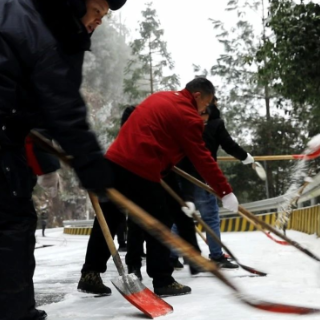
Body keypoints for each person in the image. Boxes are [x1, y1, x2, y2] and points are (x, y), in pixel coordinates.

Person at [0, 0, 126, 319]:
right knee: (11, 224)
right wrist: (94, 168)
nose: (99, 20)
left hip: (9, 131)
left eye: (104, 15)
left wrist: (46, 163)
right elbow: (64, 109)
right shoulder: (47, 34)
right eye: (97, 10)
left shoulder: (26, 13)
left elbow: (34, 104)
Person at [77, 78, 239, 297]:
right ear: (198, 96)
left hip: (114, 162)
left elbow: (151, 131)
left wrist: (165, 165)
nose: (204, 110)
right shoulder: (189, 116)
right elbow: (202, 157)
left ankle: (90, 274)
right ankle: (163, 280)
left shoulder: (160, 97)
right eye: (206, 104)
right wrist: (225, 190)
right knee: (160, 222)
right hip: (140, 168)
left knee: (109, 220)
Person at [176, 96, 254, 269]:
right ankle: (217, 256)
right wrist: (246, 157)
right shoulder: (215, 124)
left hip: (181, 175)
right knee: (210, 217)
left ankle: (171, 255)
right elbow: (229, 145)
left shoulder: (185, 120)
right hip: (202, 176)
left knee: (180, 217)